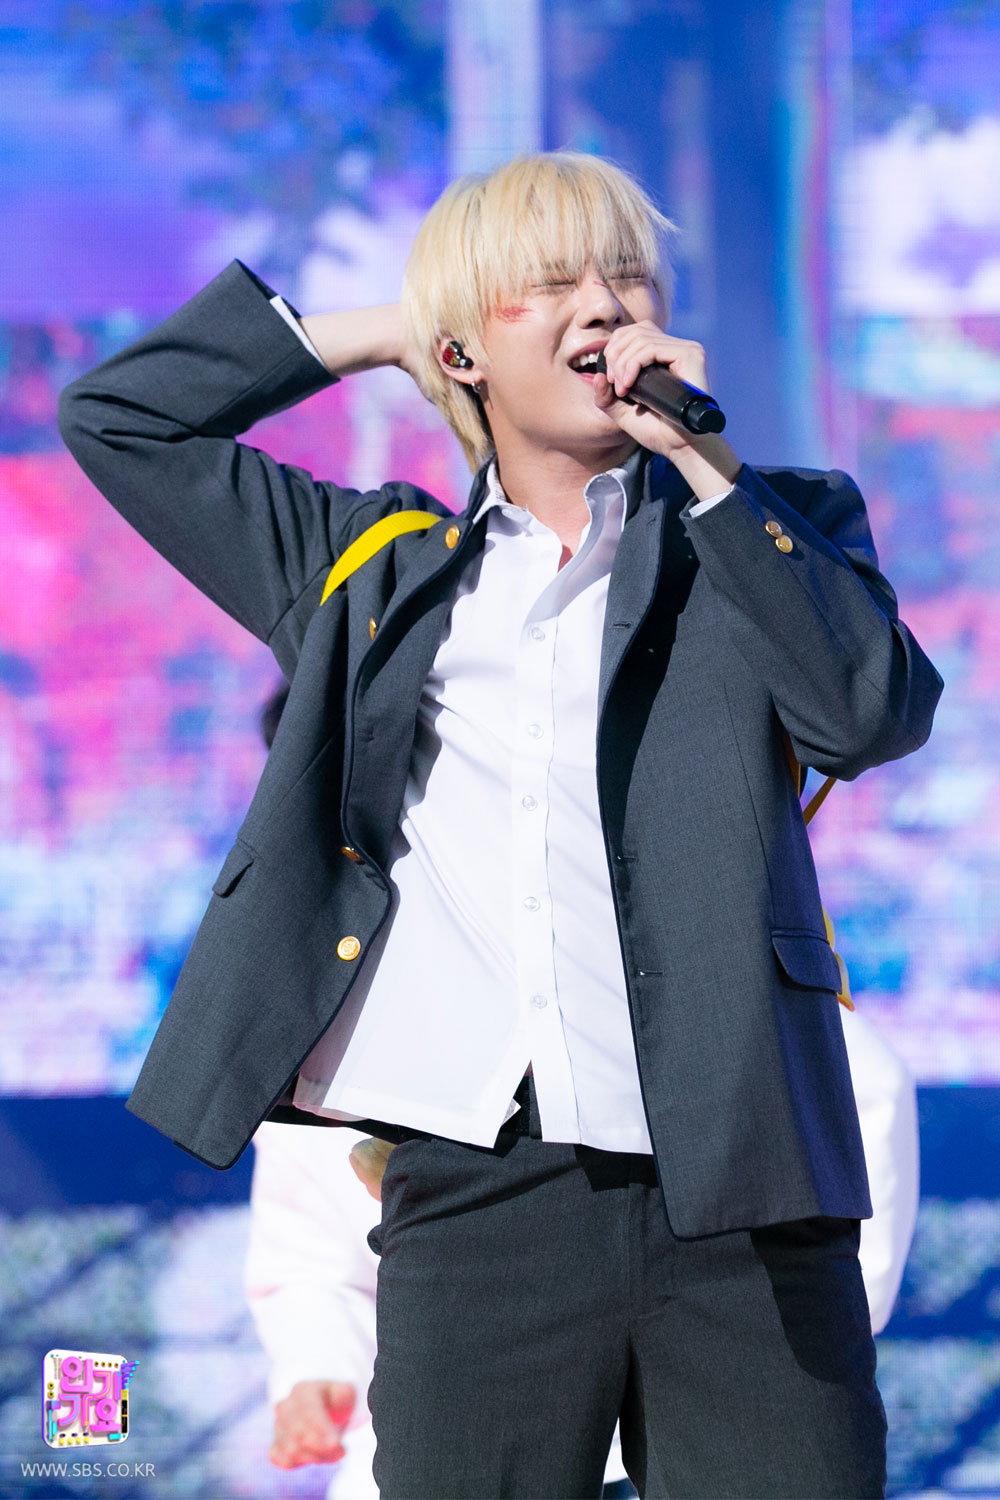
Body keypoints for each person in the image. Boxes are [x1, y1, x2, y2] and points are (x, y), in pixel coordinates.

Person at [59, 151, 942, 1498]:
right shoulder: (375, 568)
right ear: (465, 348)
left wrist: (705, 464)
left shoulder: (771, 526)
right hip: (479, 1194)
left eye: (626, 277)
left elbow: (866, 716)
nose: (603, 306)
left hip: (748, 1183)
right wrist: (389, 333)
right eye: (547, 284)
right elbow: (121, 419)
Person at [245, 997, 919, 1498]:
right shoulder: (333, 1062)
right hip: (450, 1420)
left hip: (714, 1409)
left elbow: (850, 1236)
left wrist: (782, 1317)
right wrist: (319, 1366)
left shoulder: (780, 1022)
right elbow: (308, 1260)